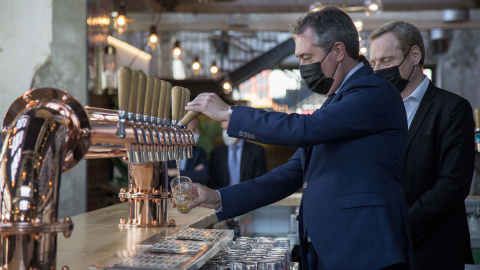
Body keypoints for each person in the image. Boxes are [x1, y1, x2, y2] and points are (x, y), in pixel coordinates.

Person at [183, 6, 411, 270]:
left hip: (365, 251)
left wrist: (229, 114)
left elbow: (306, 128)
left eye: (307, 56)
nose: (302, 66)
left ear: (338, 51)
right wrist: (220, 197)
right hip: (330, 251)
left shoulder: (373, 91)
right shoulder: (337, 102)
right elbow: (292, 173)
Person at [369, 21, 475, 270]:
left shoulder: (452, 109)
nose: (377, 70)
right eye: (373, 63)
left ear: (414, 55)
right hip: (382, 249)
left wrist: (401, 224)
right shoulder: (375, 112)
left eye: (386, 61)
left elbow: (453, 184)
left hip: (433, 249)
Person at [209, 121, 267, 189]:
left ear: (240, 128)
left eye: (228, 128)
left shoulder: (256, 151)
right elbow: (212, 181)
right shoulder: (216, 153)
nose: (225, 132)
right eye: (223, 129)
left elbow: (260, 180)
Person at [167, 118, 210, 185]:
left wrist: (175, 172)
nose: (198, 133)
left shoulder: (199, 152)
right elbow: (163, 178)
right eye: (194, 129)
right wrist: (192, 172)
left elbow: (204, 176)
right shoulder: (164, 151)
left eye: (197, 129)